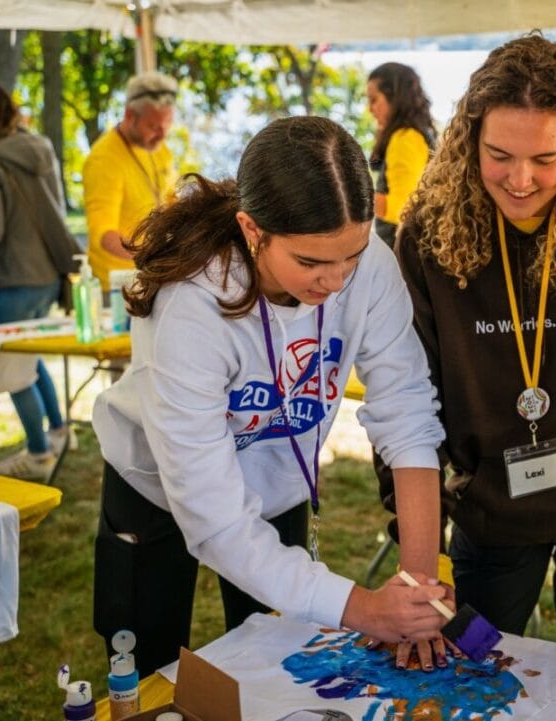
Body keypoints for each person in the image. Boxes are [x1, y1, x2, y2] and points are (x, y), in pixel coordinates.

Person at [91, 116, 449, 677]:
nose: (335, 281)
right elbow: (215, 519)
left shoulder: (369, 265)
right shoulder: (191, 303)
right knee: (147, 672)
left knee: (279, 668)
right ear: (251, 229)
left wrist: (417, 589)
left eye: (351, 256)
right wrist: (364, 611)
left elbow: (407, 412)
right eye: (310, 262)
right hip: (155, 489)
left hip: (278, 486)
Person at [382, 33, 556, 661]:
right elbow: (405, 398)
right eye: (499, 155)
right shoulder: (428, 238)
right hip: (492, 511)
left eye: (545, 158)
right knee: (477, 673)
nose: (520, 180)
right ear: (468, 141)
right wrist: (419, 547)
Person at [0, 82, 77, 480]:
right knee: (28, 362)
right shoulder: (39, 150)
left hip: (9, 279)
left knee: (14, 373)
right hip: (48, 275)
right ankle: (59, 431)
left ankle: (38, 454)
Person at [83, 71, 177, 288]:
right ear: (129, 115)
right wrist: (149, 254)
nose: (162, 135)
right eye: (154, 127)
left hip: (151, 277)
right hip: (116, 285)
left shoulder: (158, 148)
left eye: (167, 124)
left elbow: (172, 200)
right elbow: (103, 232)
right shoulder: (104, 159)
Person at [366, 62, 436, 247]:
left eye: (374, 100)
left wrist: (353, 197)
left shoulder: (405, 138)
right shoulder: (416, 133)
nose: (369, 109)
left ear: (394, 98)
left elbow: (402, 206)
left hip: (402, 252)